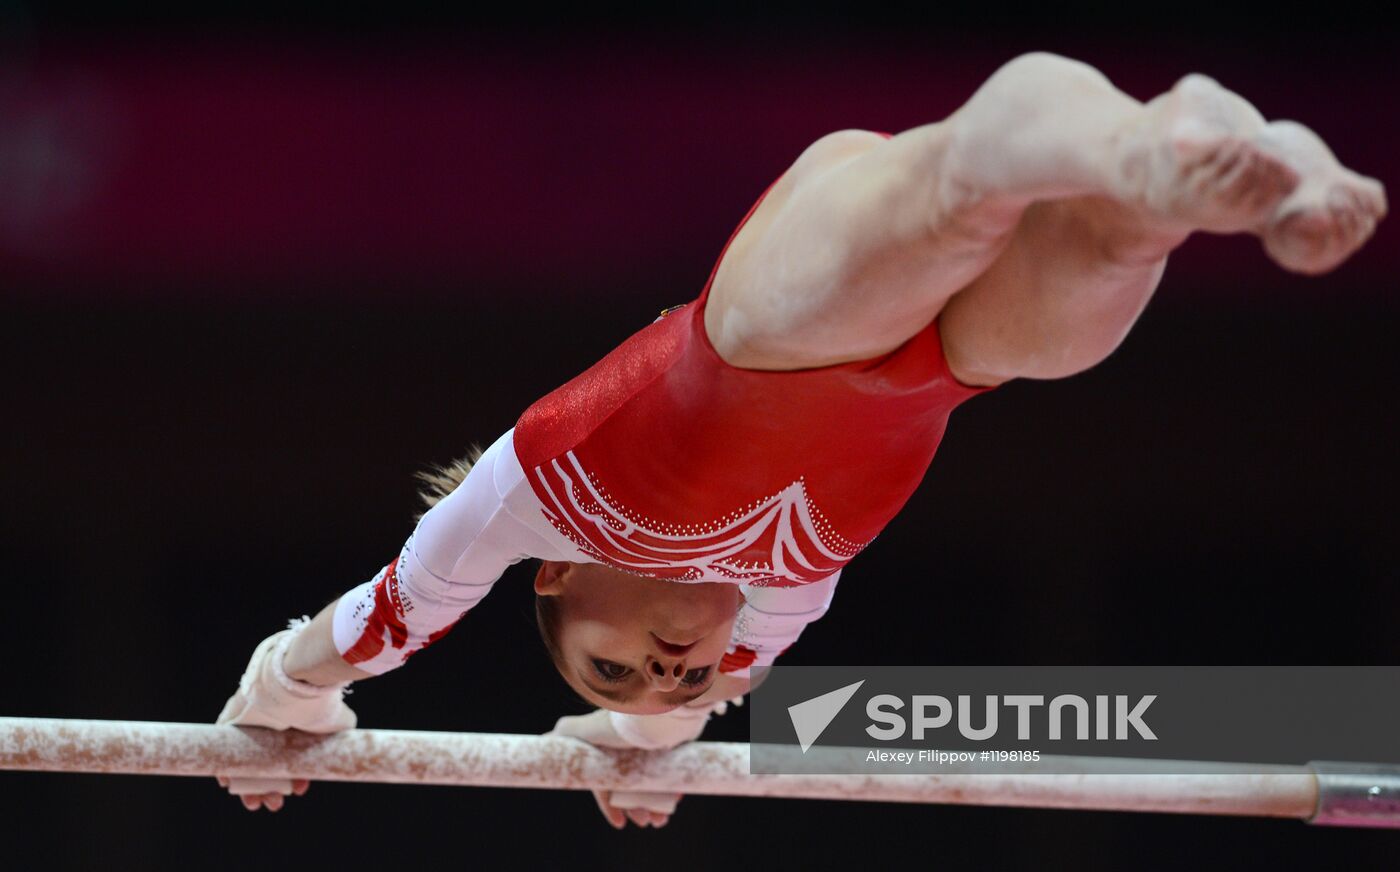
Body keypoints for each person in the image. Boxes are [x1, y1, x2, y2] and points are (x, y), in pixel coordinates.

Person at [213, 52, 1386, 827]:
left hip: (772, 323)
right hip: (950, 369)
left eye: (609, 665)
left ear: (555, 577)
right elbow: (681, 712)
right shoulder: (769, 618)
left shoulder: (536, 502)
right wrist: (645, 735)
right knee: (1103, 267)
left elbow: (386, 618)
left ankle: (1130, 144)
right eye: (680, 677)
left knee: (961, 199)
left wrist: (279, 693)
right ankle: (1213, 163)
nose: (667, 668)